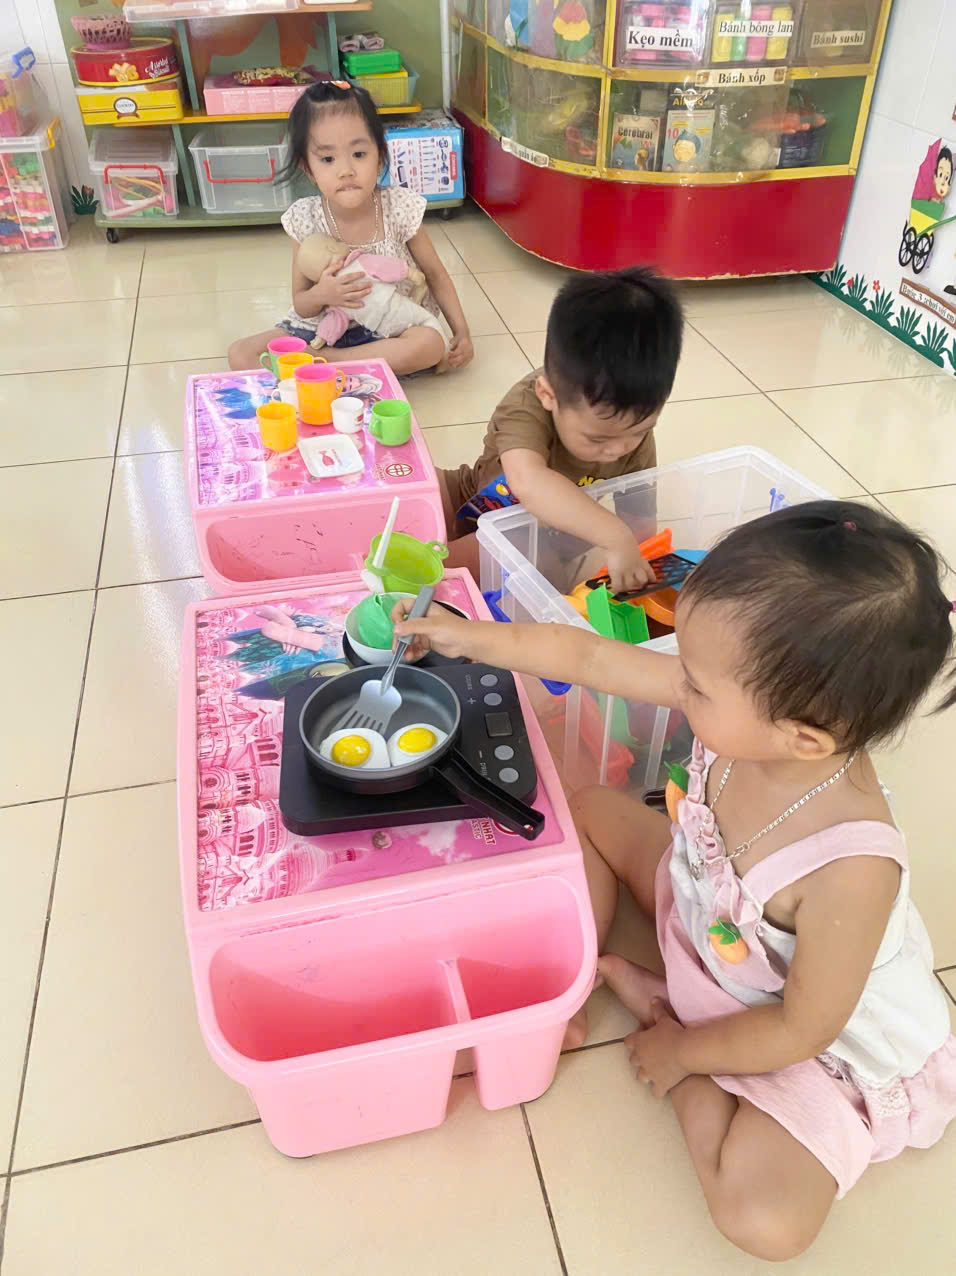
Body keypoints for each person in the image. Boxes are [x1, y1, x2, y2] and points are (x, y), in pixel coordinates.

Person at [394, 499, 956, 1261]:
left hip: (799, 1033)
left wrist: (682, 1057)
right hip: (703, 909)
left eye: (695, 684)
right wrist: (466, 637)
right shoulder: (753, 716)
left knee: (765, 1222)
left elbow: (802, 1028)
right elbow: (591, 658)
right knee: (590, 806)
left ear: (803, 737)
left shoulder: (851, 869)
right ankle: (577, 983)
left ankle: (672, 1023)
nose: (677, 684)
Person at [439, 266, 684, 592]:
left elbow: (641, 528)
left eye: (640, 430)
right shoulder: (526, 405)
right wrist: (615, 535)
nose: (619, 449)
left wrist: (637, 565)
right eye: (598, 438)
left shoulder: (630, 433)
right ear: (548, 395)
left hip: (541, 543)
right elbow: (527, 481)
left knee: (507, 563)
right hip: (473, 497)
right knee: (413, 487)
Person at [228, 82, 473, 376]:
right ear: (308, 168)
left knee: (430, 344)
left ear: (380, 156)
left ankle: (327, 364)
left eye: (358, 154)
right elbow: (301, 303)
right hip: (322, 329)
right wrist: (323, 294)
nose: (346, 170)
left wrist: (462, 331)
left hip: (389, 328)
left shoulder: (399, 207)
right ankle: (349, 365)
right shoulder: (306, 219)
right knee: (240, 354)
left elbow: (435, 275)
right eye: (328, 159)